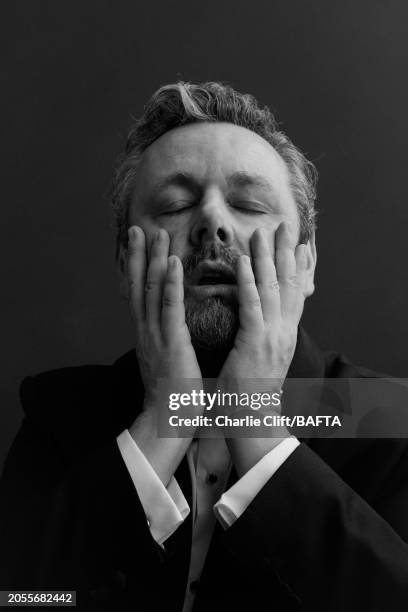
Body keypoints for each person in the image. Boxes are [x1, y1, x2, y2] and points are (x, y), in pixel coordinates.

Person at [1, 81, 408, 612]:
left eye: (248, 203)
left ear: (305, 263)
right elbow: (23, 598)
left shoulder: (384, 417)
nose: (212, 222)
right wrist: (161, 422)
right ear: (127, 263)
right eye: (174, 205)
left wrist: (256, 425)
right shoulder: (61, 413)